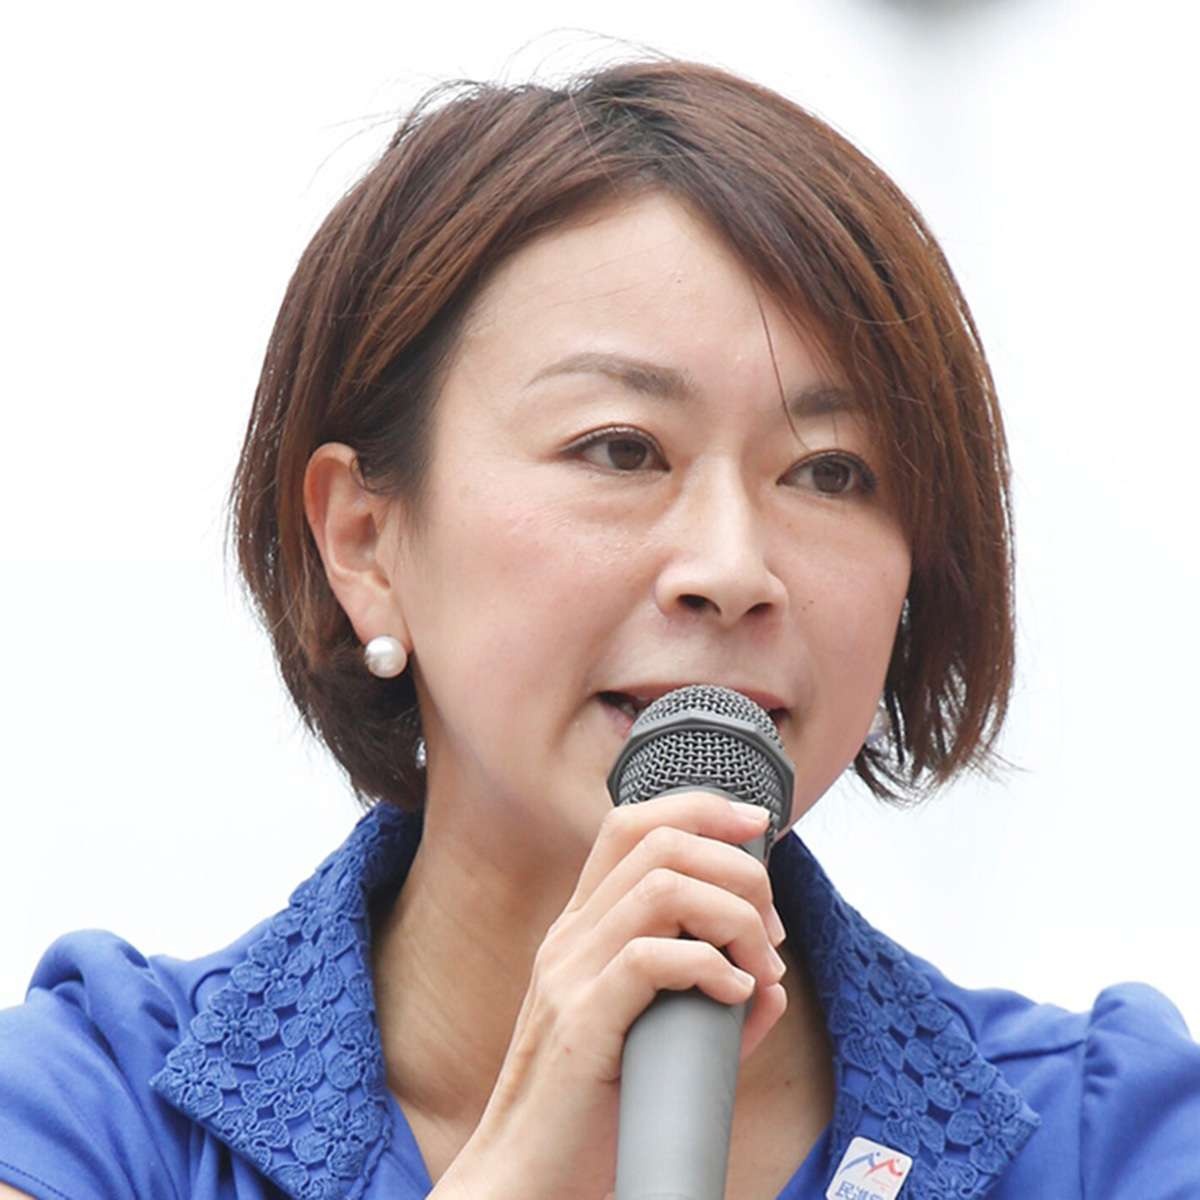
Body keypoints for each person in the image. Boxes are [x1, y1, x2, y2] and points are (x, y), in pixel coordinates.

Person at [1, 56, 1196, 1200]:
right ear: (363, 538)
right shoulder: (87, 1116)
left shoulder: (1112, 1144)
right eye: (621, 451)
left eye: (830, 472)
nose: (732, 570)